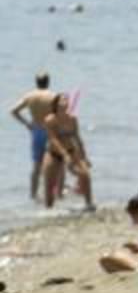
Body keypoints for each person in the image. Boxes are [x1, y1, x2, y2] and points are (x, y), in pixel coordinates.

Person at [41, 93, 93, 210]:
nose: (66, 102)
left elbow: (77, 138)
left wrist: (84, 157)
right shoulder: (50, 119)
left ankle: (89, 204)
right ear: (56, 103)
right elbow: (53, 139)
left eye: (67, 100)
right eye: (62, 100)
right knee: (49, 185)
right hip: (53, 154)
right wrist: (64, 155)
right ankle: (48, 209)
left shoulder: (72, 119)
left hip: (71, 151)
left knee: (85, 174)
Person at [10, 71, 55, 200]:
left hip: (36, 132)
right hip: (50, 131)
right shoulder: (52, 96)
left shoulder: (30, 96)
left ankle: (33, 195)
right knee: (53, 163)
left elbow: (14, 111)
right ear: (48, 82)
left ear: (36, 82)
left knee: (36, 165)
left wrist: (26, 124)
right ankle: (51, 194)